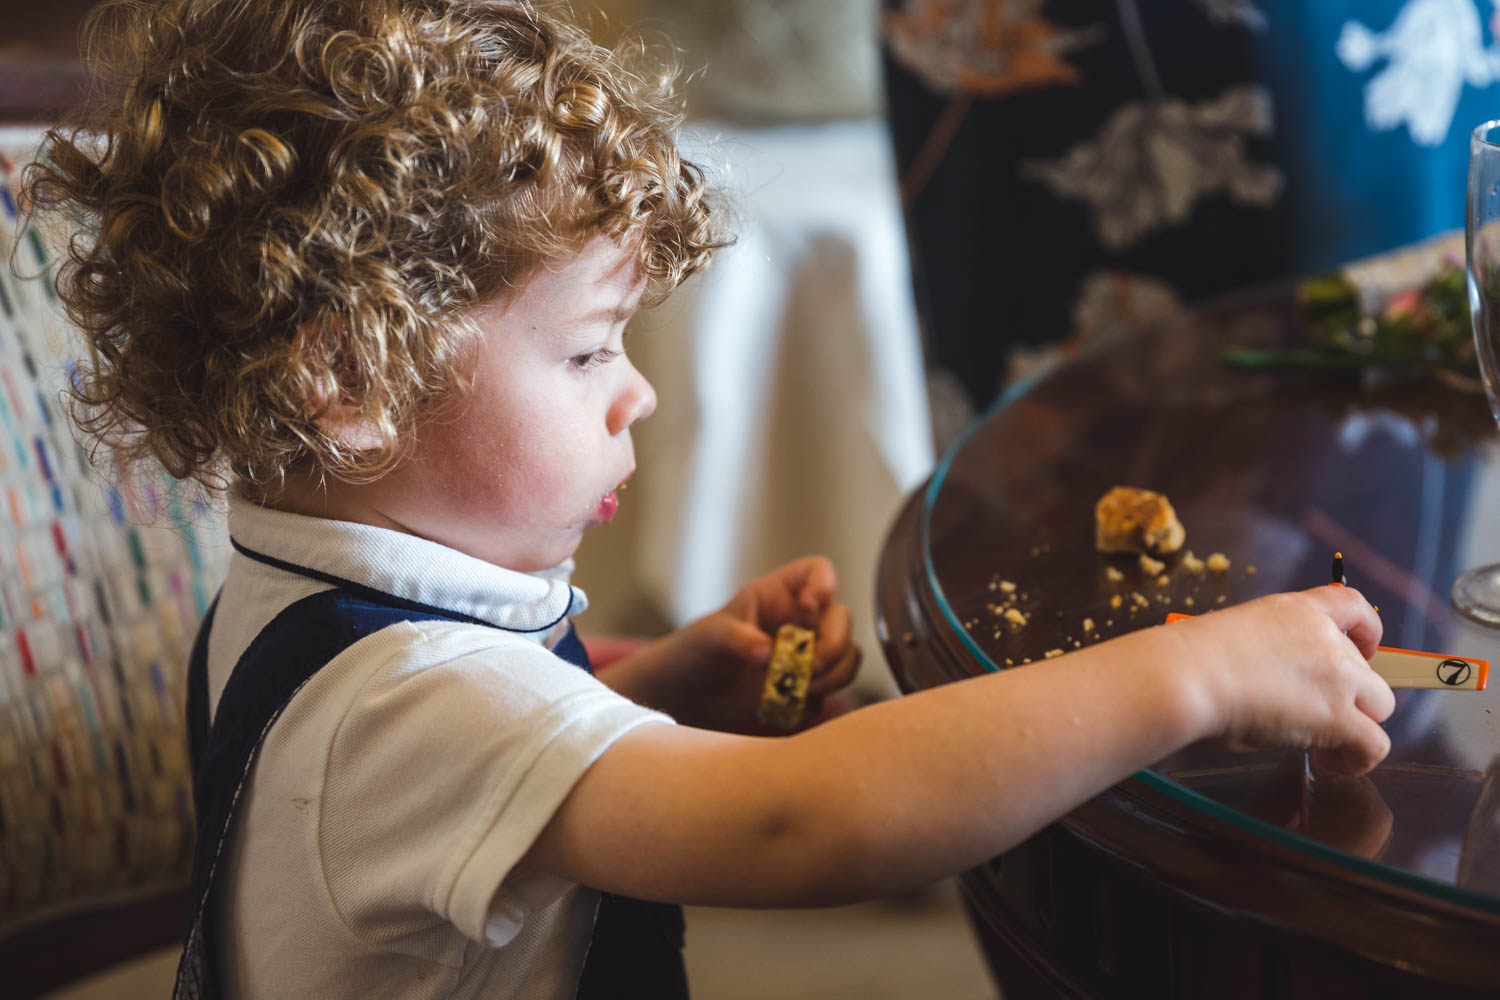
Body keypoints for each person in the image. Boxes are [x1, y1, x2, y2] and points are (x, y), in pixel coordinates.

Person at [23, 2, 1395, 998]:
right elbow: (807, 821)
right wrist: (1192, 674)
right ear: (348, 377)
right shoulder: (407, 711)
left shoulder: (287, 584)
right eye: (583, 351)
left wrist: (659, 683)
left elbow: (481, 732)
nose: (640, 398)